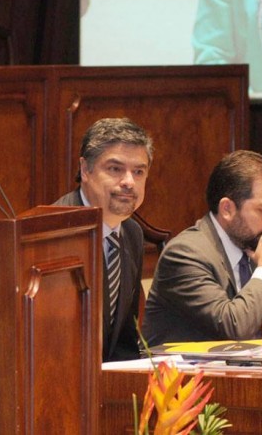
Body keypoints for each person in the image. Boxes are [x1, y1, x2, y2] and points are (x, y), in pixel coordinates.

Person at [143, 150, 262, 345]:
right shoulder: (186, 254)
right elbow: (234, 329)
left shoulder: (256, 246)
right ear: (227, 209)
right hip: (190, 374)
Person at [53, 117, 152, 361]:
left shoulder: (131, 233)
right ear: (85, 170)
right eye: (115, 169)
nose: (129, 182)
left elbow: (124, 341)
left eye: (138, 172)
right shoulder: (53, 232)